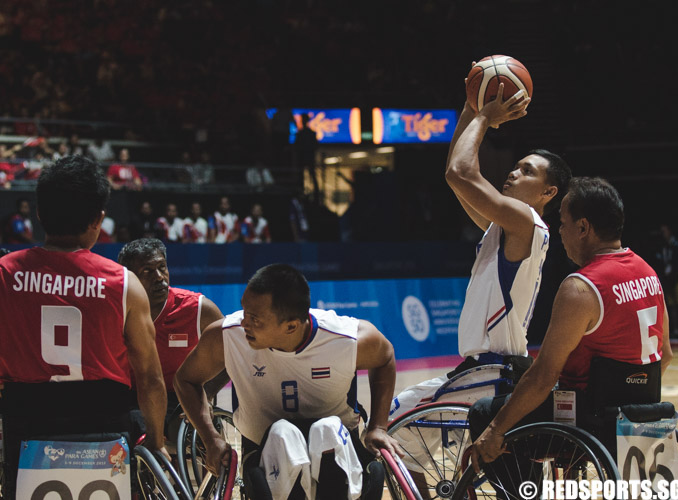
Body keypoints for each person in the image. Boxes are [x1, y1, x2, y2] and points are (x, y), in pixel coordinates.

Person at [469, 177, 672, 476]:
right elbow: (664, 355)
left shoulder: (581, 288)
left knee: (485, 412)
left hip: (588, 417)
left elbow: (543, 376)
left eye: (563, 223)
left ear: (583, 228)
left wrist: (496, 429)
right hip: (640, 412)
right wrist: (630, 394)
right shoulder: (648, 272)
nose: (560, 231)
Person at [391, 83, 572, 418]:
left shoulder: (524, 221)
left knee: (389, 425)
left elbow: (460, 172)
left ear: (548, 192)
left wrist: (486, 117)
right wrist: (469, 109)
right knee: (408, 440)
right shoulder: (508, 226)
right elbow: (454, 175)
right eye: (516, 166)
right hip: (485, 372)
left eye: (527, 172)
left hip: (490, 375)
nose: (514, 173)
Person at [0, 155, 168, 496]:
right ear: (98, 220)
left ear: (40, 214)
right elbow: (150, 378)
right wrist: (156, 440)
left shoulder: (5, 273)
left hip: (26, 422)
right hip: (104, 425)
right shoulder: (124, 283)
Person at [174, 264, 401, 500]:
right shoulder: (225, 336)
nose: (244, 323)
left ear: (291, 326)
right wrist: (210, 439)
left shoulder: (347, 339)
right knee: (283, 434)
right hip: (264, 447)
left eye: (255, 319)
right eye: (244, 312)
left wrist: (378, 427)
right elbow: (186, 379)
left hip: (336, 445)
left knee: (327, 429)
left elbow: (385, 359)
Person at [117, 238, 225, 417]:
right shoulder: (116, 311)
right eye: (147, 271)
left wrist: (205, 395)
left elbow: (233, 354)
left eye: (162, 267)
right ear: (129, 276)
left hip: (180, 399)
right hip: (129, 400)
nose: (159, 277)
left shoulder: (199, 309)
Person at [294, 113, 320, 204]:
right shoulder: (301, 133)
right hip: (304, 158)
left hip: (308, 157)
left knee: (311, 175)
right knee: (302, 175)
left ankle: (316, 193)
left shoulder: (309, 133)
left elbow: (315, 146)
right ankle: (301, 192)